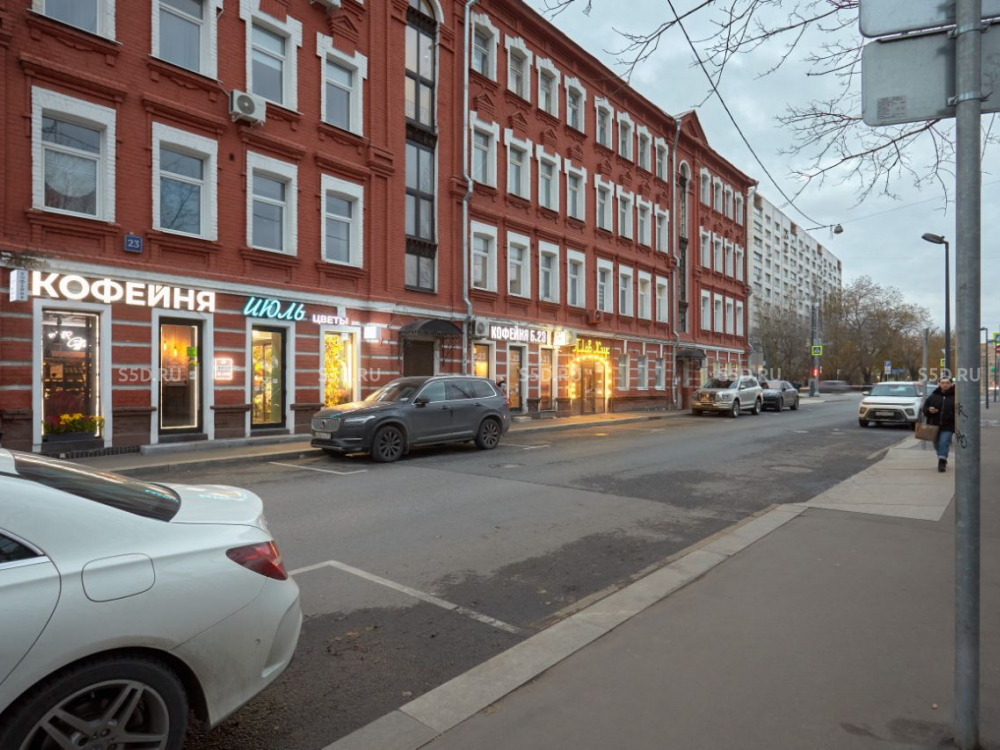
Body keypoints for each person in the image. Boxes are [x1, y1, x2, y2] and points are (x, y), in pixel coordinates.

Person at [922, 376, 956, 472]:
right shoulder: (934, 396)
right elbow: (925, 408)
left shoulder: (955, 396)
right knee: (937, 444)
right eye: (942, 383)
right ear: (939, 384)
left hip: (948, 425)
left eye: (947, 383)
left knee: (943, 442)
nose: (945, 385)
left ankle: (941, 462)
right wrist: (929, 410)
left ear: (951, 384)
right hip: (934, 425)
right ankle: (942, 456)